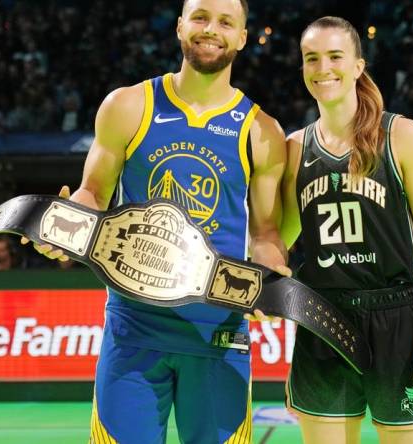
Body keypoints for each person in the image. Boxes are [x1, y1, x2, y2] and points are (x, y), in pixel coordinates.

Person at [23, 0, 287, 442]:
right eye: (200, 16)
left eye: (226, 22)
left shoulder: (262, 131)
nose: (211, 29)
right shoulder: (128, 105)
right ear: (180, 25)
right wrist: (69, 224)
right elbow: (94, 191)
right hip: (133, 329)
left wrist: (271, 272)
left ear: (243, 37)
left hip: (217, 333)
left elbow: (264, 233)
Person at [279, 17, 413, 444]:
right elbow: (277, 241)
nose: (323, 68)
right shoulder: (294, 149)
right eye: (311, 59)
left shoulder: (402, 136)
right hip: (323, 319)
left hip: (399, 321)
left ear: (358, 65)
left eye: (335, 56)